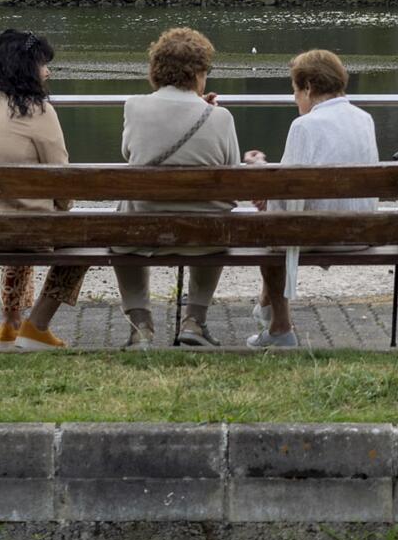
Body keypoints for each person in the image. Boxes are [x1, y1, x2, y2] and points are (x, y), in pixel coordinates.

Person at [0, 28, 87, 350]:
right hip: (19, 231)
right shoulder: (37, 110)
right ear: (26, 68)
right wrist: (62, 208)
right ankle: (36, 326)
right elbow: (63, 182)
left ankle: (10, 325)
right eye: (42, 64)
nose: (48, 71)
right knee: (83, 239)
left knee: (21, 217)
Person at [242, 48, 379, 349]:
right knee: (277, 223)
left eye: (295, 91)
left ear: (308, 87)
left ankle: (278, 326)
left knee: (269, 230)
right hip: (363, 230)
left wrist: (260, 175)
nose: (294, 99)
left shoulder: (304, 126)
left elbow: (289, 192)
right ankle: (266, 307)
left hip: (319, 232)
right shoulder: (364, 118)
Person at [114, 26, 239, 348]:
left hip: (143, 230)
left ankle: (140, 323)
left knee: (122, 223)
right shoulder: (221, 117)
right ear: (198, 72)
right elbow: (233, 173)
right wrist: (207, 111)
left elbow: (130, 154)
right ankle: (194, 322)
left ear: (156, 70)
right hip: (205, 235)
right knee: (214, 217)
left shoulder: (134, 106)